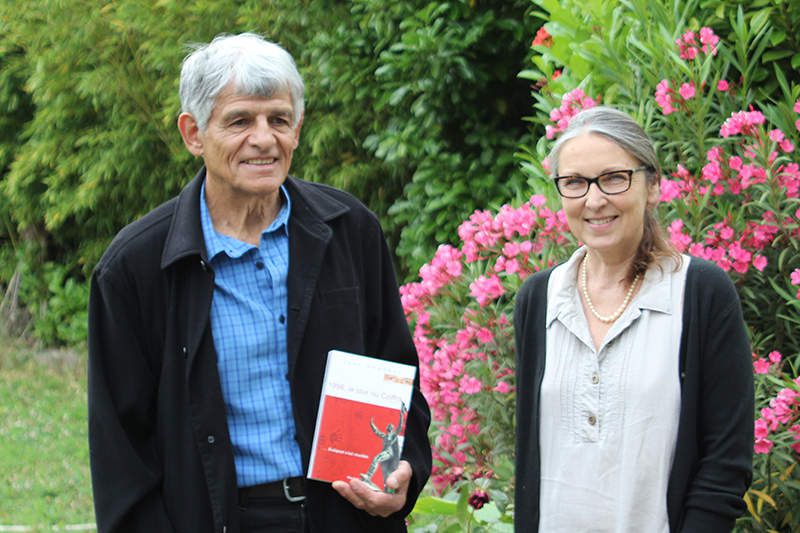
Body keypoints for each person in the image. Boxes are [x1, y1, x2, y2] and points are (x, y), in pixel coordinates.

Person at [87, 32, 431, 533]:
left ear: (297, 130)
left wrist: (405, 472)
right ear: (193, 133)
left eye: (279, 120)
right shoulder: (135, 267)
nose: (264, 139)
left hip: (346, 517)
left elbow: (398, 372)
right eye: (240, 121)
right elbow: (121, 450)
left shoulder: (349, 230)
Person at [513, 106, 753, 532]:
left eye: (613, 178)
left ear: (653, 185)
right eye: (575, 182)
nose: (594, 200)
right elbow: (532, 459)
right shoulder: (540, 299)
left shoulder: (699, 293)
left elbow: (725, 463)